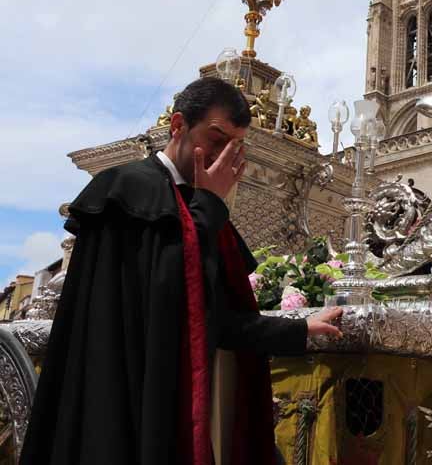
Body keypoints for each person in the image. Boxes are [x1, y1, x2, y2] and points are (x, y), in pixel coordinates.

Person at [20, 77, 344, 465]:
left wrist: (299, 328)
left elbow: (215, 318)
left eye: (235, 146)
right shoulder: (127, 189)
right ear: (178, 126)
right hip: (122, 393)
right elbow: (163, 297)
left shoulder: (205, 207)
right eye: (216, 138)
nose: (225, 156)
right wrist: (208, 203)